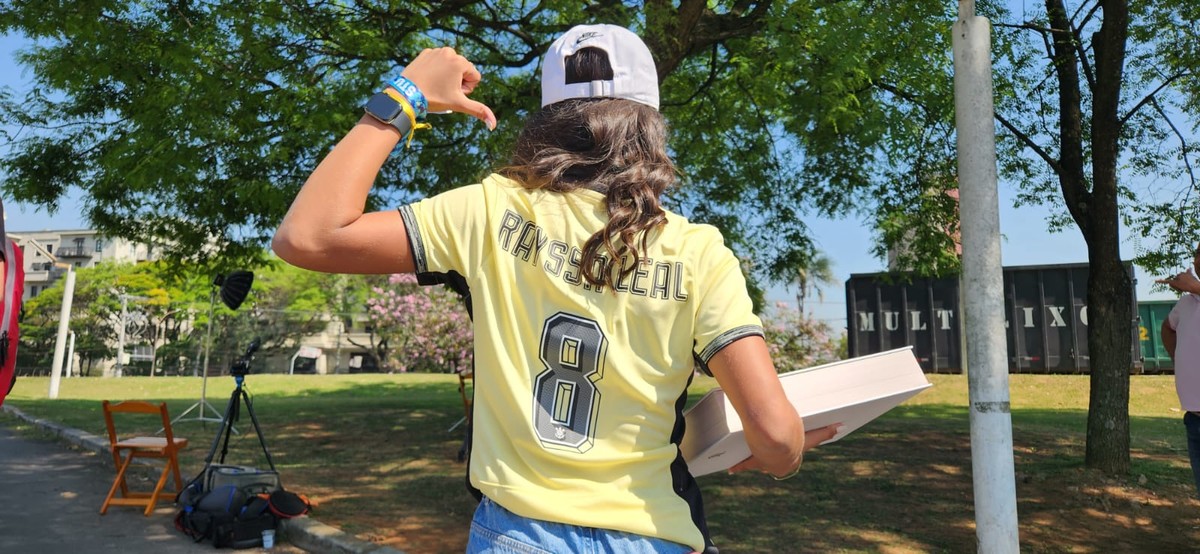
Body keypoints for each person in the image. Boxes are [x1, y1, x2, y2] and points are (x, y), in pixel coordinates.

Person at [273, 24, 836, 553]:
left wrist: (404, 95)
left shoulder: (491, 209)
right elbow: (773, 430)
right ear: (651, 124)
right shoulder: (697, 251)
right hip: (652, 534)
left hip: (515, 534)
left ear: (549, 118)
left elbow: (307, 236)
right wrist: (782, 454)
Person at [1158, 241, 1200, 498]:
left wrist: (1194, 286)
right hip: (1194, 420)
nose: (1198, 259)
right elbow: (1167, 328)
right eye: (1197, 253)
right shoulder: (1186, 304)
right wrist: (1180, 358)